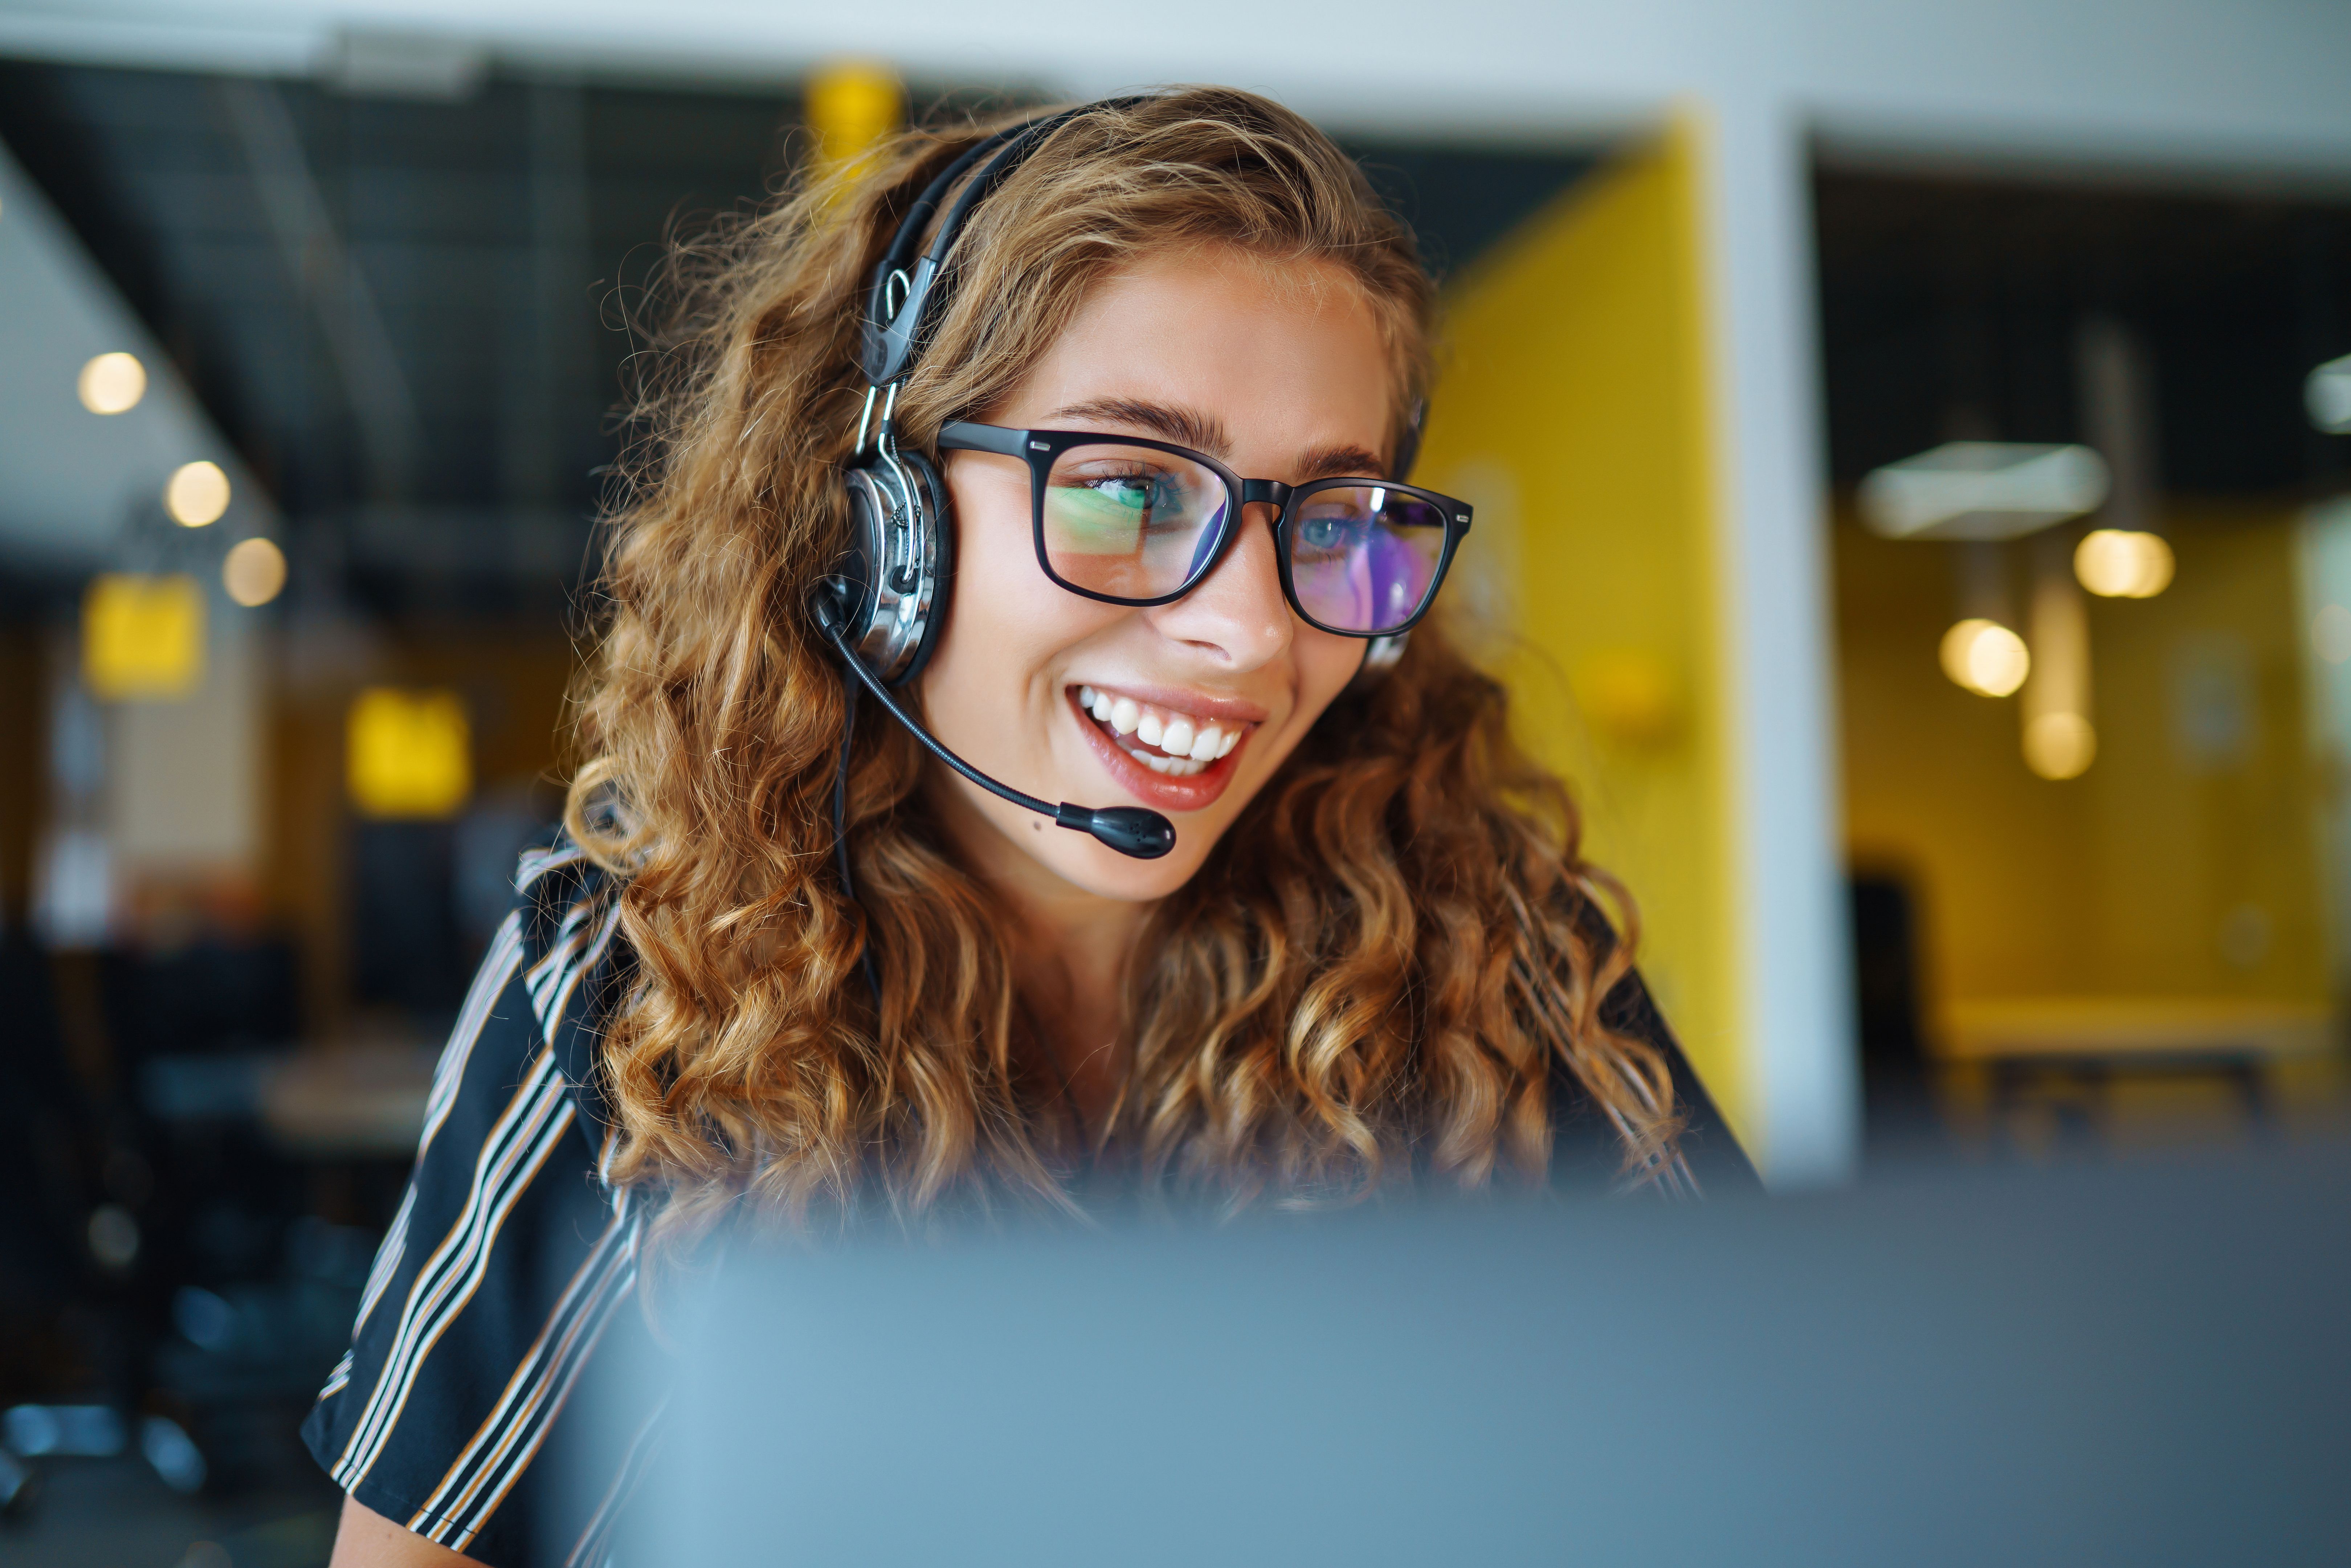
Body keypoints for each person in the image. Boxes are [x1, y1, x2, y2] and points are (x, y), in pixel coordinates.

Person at [311, 86, 1754, 1568]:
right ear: (888, 527)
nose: (1252, 633)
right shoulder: (629, 986)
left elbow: (1800, 1454)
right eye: (1128, 489)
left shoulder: (1492, 949)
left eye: (1328, 522)